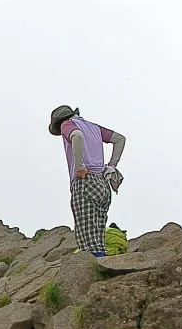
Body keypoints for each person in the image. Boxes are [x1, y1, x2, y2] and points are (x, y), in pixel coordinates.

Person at [48, 105, 126, 257]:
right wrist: (111, 166)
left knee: (88, 239)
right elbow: (120, 139)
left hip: (85, 182)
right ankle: (104, 268)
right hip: (103, 184)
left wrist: (80, 167)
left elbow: (76, 136)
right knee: (98, 236)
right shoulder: (94, 127)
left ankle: (95, 273)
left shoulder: (67, 124)